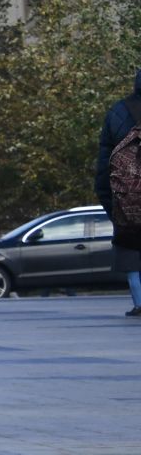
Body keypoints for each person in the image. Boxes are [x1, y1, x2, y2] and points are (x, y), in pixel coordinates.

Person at [94, 67, 141, 315]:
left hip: (127, 201)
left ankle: (139, 302)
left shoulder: (118, 112)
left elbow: (104, 166)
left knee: (131, 252)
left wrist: (111, 204)